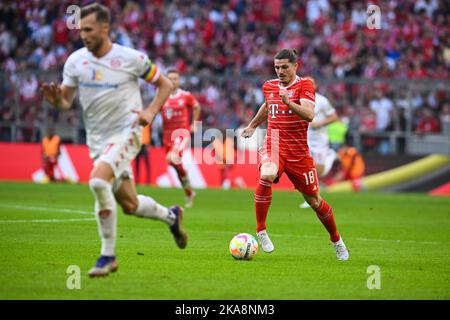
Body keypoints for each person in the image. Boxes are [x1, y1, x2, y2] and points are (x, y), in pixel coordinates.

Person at [40, 3, 187, 277]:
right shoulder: (75, 61)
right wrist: (56, 100)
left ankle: (107, 256)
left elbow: (164, 83)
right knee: (129, 205)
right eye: (81, 29)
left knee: (98, 180)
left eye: (89, 29)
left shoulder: (131, 58)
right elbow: (66, 102)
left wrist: (151, 112)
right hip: (97, 140)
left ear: (105, 28)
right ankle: (171, 216)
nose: (83, 35)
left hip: (126, 133)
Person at [241, 49, 349, 260]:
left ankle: (336, 240)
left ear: (295, 66)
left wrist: (288, 101)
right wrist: (253, 125)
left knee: (314, 201)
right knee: (267, 174)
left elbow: (309, 115)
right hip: (274, 144)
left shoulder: (305, 85)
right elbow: (267, 106)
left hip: (299, 152)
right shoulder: (269, 86)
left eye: (284, 67)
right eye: (277, 67)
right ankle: (261, 230)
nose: (280, 71)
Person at [160, 68, 201, 208]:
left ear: (179, 80)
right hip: (166, 136)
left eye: (175, 78)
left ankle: (187, 186)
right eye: (170, 78)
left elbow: (196, 107)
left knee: (172, 158)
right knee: (176, 166)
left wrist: (194, 124)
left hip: (181, 134)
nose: (172, 81)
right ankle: (189, 192)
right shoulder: (161, 95)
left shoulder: (185, 95)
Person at [299, 77, 338, 209]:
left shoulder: (322, 100)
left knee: (319, 170)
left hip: (319, 140)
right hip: (304, 139)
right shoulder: (299, 99)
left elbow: (334, 117)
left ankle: (330, 156)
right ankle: (311, 197)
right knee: (307, 168)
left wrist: (319, 124)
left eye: (311, 83)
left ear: (315, 86)